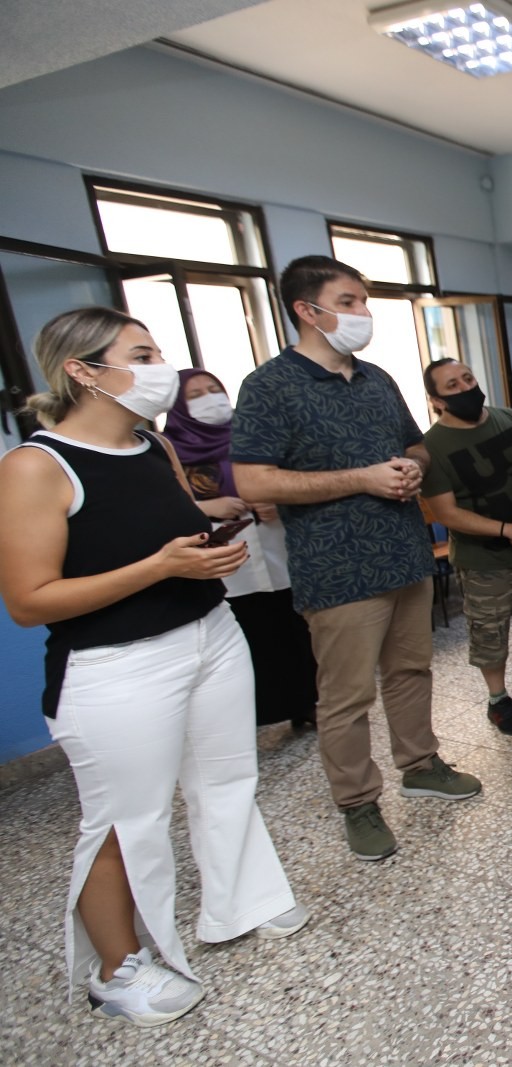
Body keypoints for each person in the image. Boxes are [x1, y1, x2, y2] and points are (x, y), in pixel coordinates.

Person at [0, 308, 307, 1028]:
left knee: (226, 780)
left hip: (210, 635)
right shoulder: (37, 466)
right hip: (116, 665)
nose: (159, 367)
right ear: (83, 371)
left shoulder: (152, 444)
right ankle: (117, 969)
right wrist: (160, 567)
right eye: (140, 355)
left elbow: (163, 532)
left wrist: (206, 546)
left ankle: (241, 901)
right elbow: (29, 599)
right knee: (123, 818)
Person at [232, 255, 481, 863]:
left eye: (363, 302)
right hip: (337, 568)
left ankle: (420, 764)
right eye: (348, 302)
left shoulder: (377, 379)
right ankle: (357, 802)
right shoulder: (269, 386)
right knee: (346, 696)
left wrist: (411, 468)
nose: (362, 313)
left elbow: (416, 446)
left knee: (411, 671)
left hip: (404, 554)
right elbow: (255, 481)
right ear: (306, 310)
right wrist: (361, 479)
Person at [419, 358, 512, 736]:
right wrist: (506, 530)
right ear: (436, 400)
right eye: (452, 385)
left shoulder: (510, 419)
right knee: (490, 634)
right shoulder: (431, 447)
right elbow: (445, 513)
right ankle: (498, 700)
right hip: (483, 560)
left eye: (467, 378)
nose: (465, 388)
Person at [166, 369, 318, 729]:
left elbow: (291, 478)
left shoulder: (252, 437)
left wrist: (276, 501)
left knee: (293, 631)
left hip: (276, 551)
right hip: (227, 565)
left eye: (214, 389)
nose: (210, 398)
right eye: (196, 395)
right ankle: (255, 715)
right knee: (252, 636)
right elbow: (164, 507)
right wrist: (207, 507)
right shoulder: (169, 450)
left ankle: (306, 704)